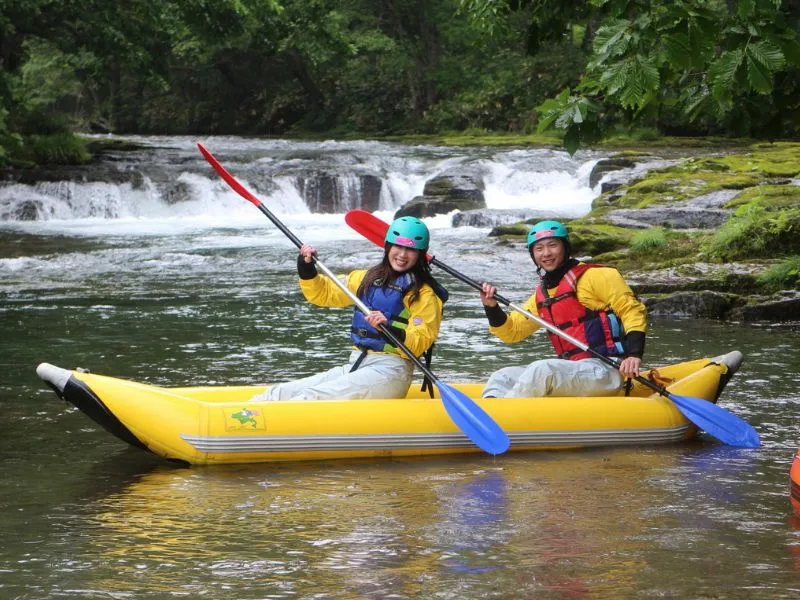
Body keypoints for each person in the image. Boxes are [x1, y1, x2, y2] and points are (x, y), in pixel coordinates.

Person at [254, 216, 447, 401]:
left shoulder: (424, 294)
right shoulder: (366, 278)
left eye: (410, 250)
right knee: (277, 394)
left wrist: (390, 328)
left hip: (391, 372)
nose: (403, 255)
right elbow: (324, 293)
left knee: (310, 397)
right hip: (357, 363)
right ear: (388, 246)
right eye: (398, 246)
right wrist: (307, 269)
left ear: (420, 254)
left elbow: (421, 341)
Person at [479, 219, 647, 398]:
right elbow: (512, 332)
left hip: (606, 369)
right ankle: (487, 413)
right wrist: (491, 307)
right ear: (533, 255)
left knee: (542, 370)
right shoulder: (542, 296)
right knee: (502, 376)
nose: (546, 253)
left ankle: (505, 415)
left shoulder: (597, 276)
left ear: (565, 247)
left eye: (552, 245)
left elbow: (631, 310)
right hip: (573, 370)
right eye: (539, 248)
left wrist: (634, 355)